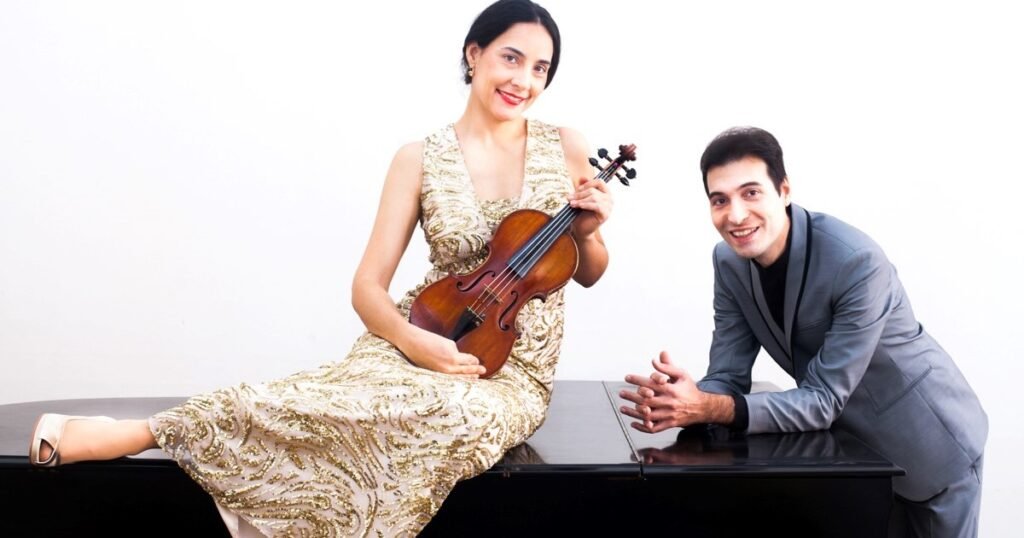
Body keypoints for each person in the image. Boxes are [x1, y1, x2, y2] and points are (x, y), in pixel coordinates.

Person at [27, 1, 614, 535]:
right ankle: (138, 433)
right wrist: (414, 343)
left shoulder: (564, 145)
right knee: (331, 401)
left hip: (506, 373)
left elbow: (589, 271)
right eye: (511, 58)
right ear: (474, 53)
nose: (523, 80)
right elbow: (366, 287)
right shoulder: (419, 158)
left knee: (443, 416)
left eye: (540, 68)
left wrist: (587, 233)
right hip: (422, 334)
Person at [619, 127, 986, 538]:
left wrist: (706, 407)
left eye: (751, 193)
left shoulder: (857, 262)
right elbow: (728, 375)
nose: (735, 215)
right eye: (719, 200)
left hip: (932, 445)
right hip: (855, 458)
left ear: (784, 191)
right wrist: (681, 400)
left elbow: (823, 398)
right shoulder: (728, 261)